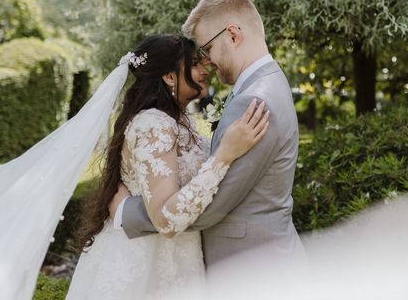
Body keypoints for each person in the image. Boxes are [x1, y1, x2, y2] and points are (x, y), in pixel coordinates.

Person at [112, 0, 306, 271]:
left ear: (233, 35)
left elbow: (215, 203)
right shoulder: (265, 84)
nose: (207, 61)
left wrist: (125, 212)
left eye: (208, 49)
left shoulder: (255, 99)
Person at [66, 34, 269, 299]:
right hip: (145, 264)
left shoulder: (178, 120)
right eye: (194, 63)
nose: (204, 69)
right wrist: (224, 156)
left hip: (176, 256)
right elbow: (166, 219)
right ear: (170, 77)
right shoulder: (154, 124)